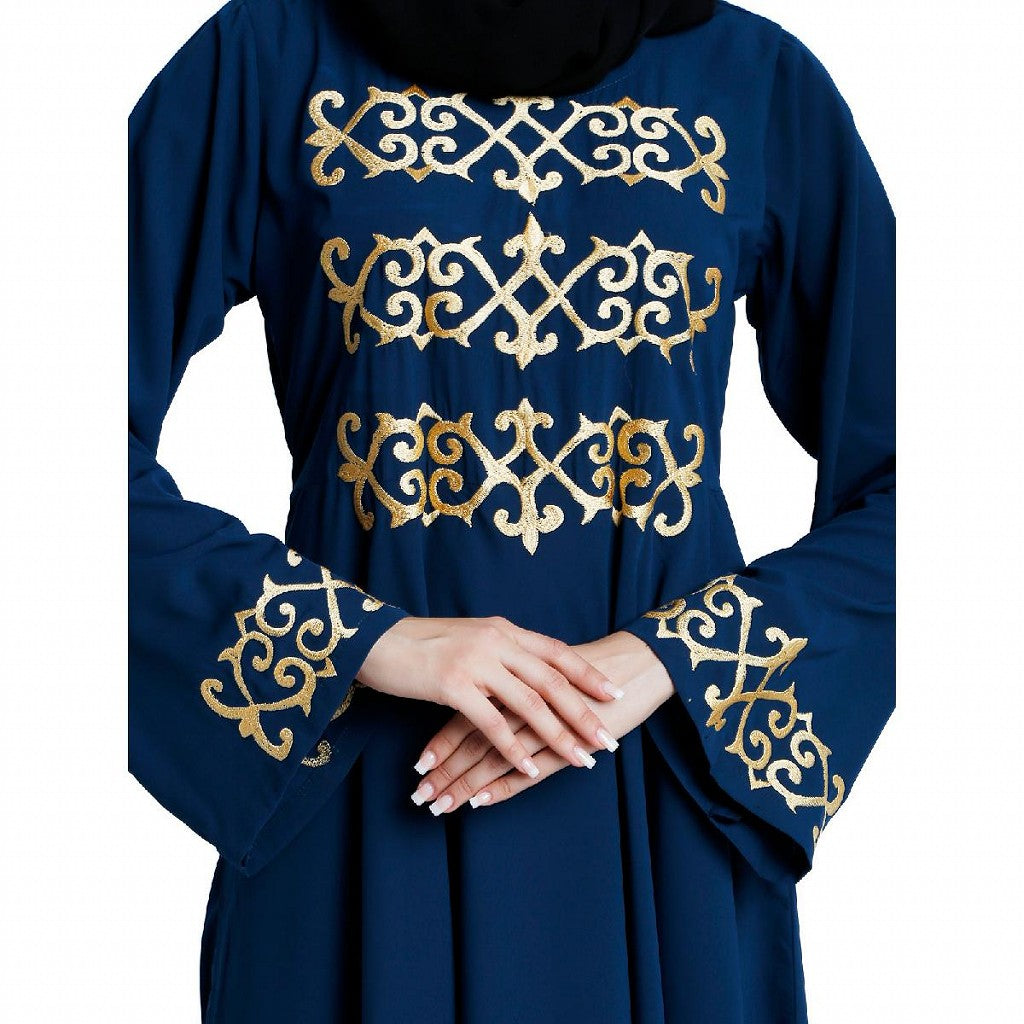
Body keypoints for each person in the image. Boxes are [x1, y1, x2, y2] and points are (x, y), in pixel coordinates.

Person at [128, 0, 896, 1020]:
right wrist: (361, 639)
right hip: (358, 801)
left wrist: (677, 656)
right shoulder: (267, 59)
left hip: (659, 795)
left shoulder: (753, 79)